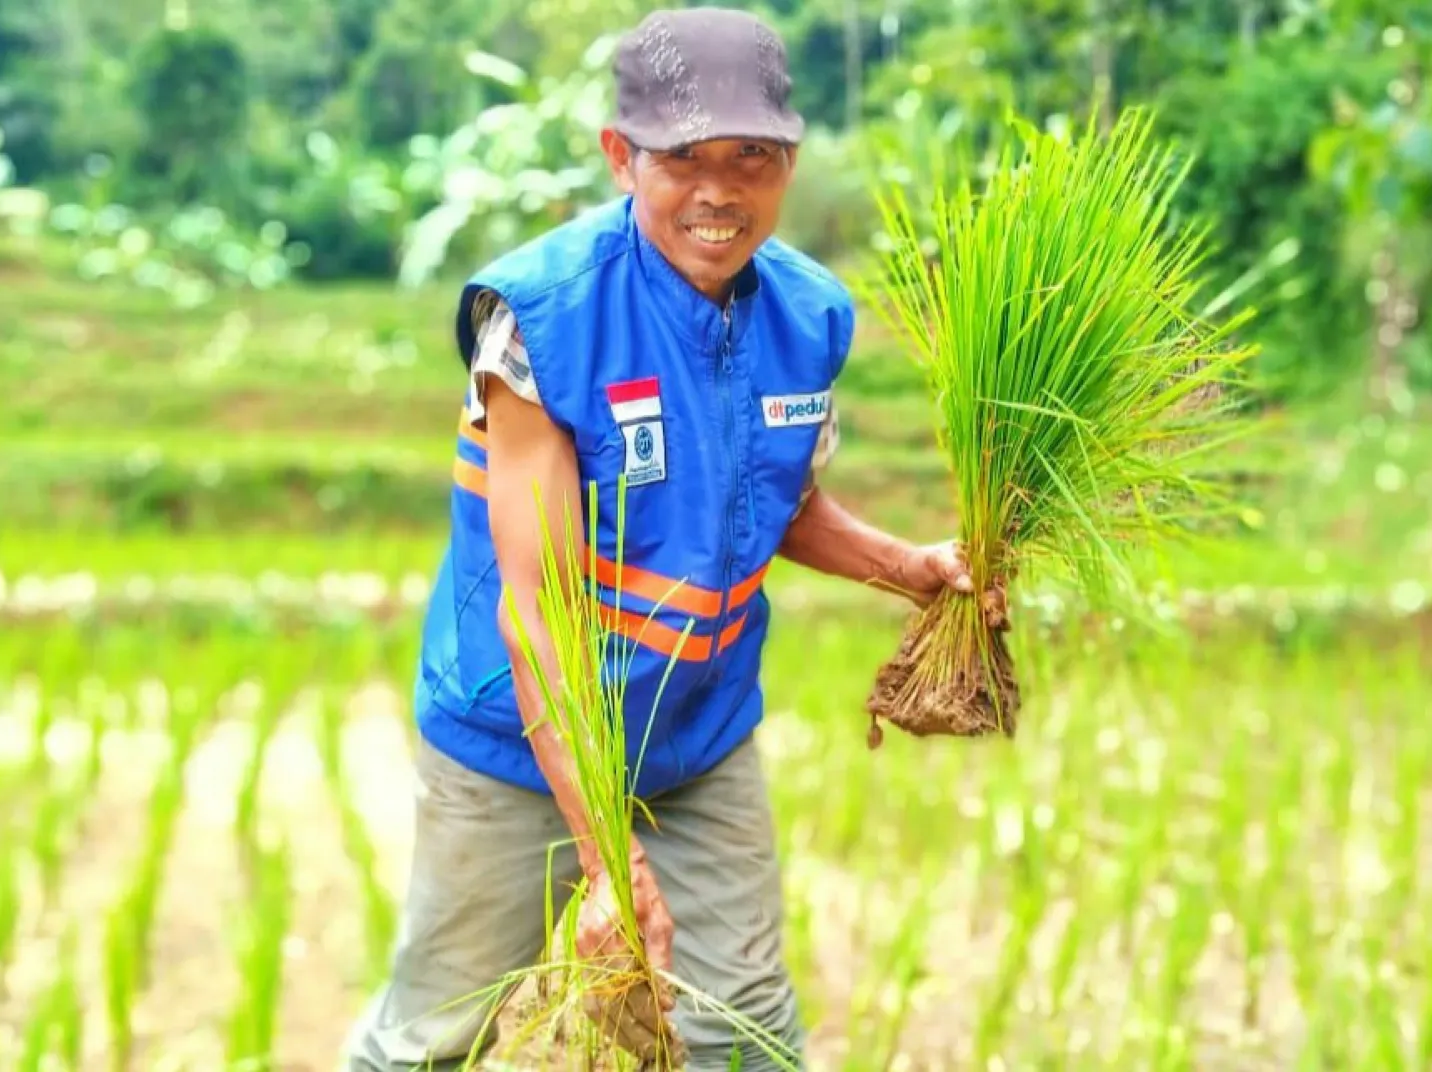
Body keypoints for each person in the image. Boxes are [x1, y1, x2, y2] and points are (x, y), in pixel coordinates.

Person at [341, 7, 984, 1070]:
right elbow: (537, 605)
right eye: (683, 158)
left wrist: (909, 570)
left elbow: (772, 504)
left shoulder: (810, 316)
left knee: (745, 1034)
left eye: (753, 158)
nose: (719, 191)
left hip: (695, 734)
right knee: (430, 1038)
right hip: (516, 743)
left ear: (789, 164)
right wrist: (605, 854)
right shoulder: (542, 320)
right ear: (619, 155)